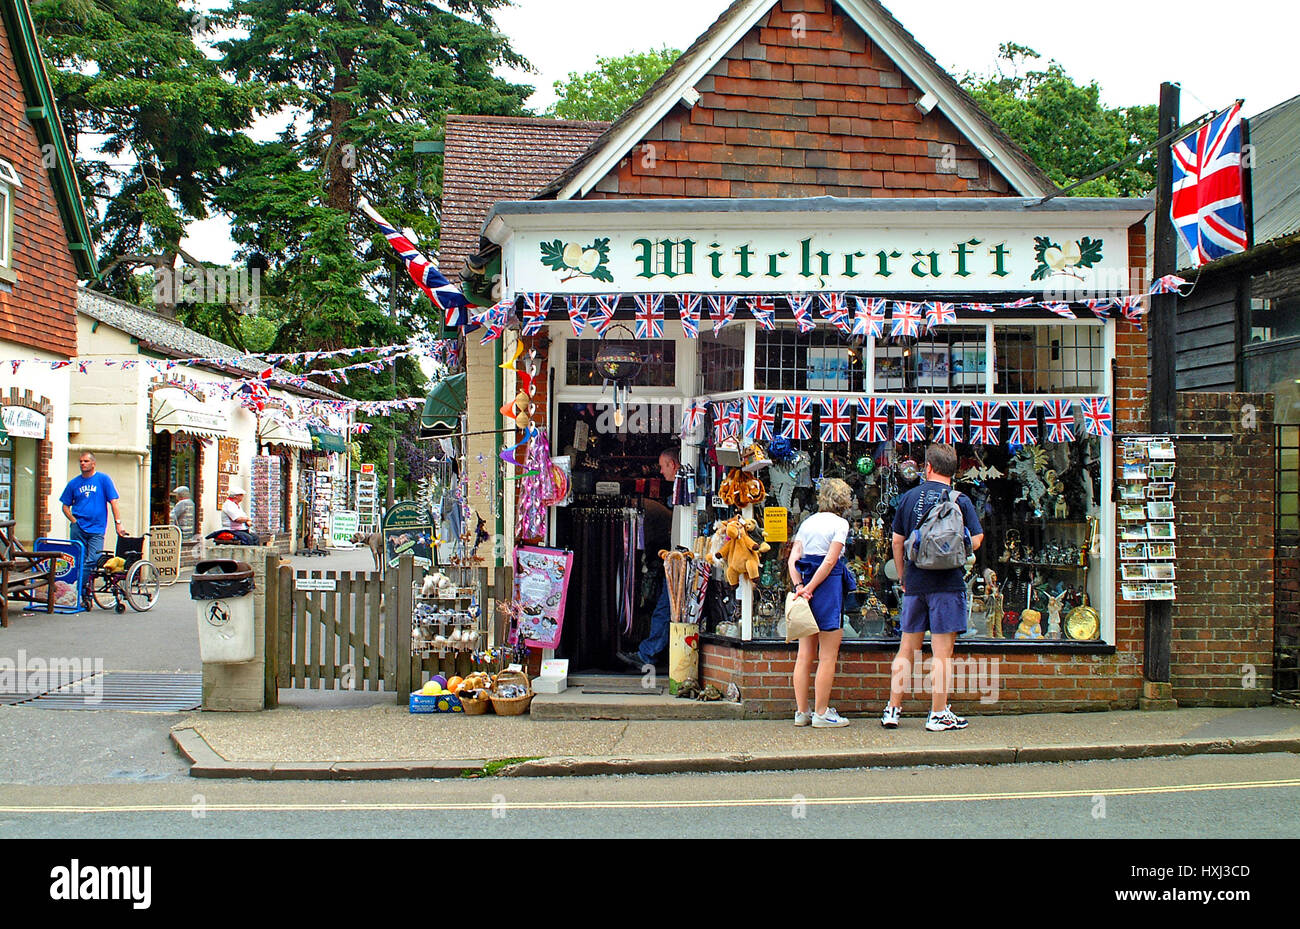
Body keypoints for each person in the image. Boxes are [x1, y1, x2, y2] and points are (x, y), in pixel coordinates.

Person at [883, 443, 984, 732]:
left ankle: (893, 708)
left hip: (915, 582)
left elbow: (897, 542)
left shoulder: (909, 498)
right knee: (942, 653)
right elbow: (976, 540)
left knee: (907, 648)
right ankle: (937, 713)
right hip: (948, 584)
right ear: (954, 470)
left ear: (928, 467)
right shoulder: (960, 499)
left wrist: (903, 577)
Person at [788, 477, 854, 728]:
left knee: (804, 655)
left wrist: (800, 587)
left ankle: (802, 712)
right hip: (828, 589)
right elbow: (830, 561)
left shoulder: (807, 523)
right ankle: (821, 713)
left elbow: (793, 560)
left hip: (805, 585)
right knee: (827, 655)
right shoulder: (841, 524)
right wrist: (812, 588)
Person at [619, 446, 681, 673]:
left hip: (676, 557)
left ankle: (649, 654)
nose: (661, 472)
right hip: (674, 555)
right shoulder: (676, 491)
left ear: (672, 465)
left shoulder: (650, 508)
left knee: (665, 607)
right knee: (666, 607)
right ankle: (652, 652)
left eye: (663, 466)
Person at [59, 452, 124, 605]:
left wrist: (118, 523)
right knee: (78, 559)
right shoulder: (74, 483)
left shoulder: (103, 479)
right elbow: (65, 506)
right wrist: (74, 520)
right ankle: (83, 594)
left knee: (92, 559)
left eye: (86, 461)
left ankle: (80, 589)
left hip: (97, 528)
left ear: (93, 463)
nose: (83, 464)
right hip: (78, 527)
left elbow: (113, 502)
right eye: (81, 461)